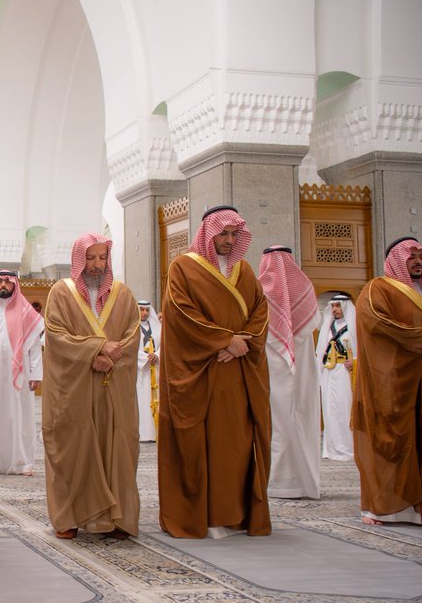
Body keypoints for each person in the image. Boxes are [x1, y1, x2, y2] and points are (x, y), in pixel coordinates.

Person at [157, 205, 272, 538]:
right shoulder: (183, 268)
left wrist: (243, 343)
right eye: (223, 233)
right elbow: (181, 314)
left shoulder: (245, 271)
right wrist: (224, 341)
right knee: (204, 444)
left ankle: (235, 515)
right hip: (203, 372)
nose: (229, 240)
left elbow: (261, 311)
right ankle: (204, 517)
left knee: (237, 445)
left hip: (238, 374)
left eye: (234, 234)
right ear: (208, 233)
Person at [354, 237, 422, 527]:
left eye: (421, 257)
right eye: (410, 256)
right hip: (398, 384)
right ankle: (388, 509)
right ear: (395, 260)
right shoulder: (378, 289)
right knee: (397, 443)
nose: (417, 262)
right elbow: (378, 324)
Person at [42, 234, 141, 539]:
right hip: (76, 389)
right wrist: (95, 350)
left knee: (118, 446)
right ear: (78, 259)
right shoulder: (61, 293)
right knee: (73, 447)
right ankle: (69, 518)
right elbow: (56, 334)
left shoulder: (123, 295)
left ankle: (117, 518)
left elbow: (132, 333)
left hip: (113, 386)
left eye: (102, 258)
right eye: (90, 258)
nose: (97, 265)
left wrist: (111, 357)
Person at [257, 246, 321, 500]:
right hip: (289, 368)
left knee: (281, 421)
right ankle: (298, 481)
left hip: (278, 367)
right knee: (293, 419)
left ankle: (280, 482)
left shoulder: (260, 290)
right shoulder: (305, 290)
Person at [0, 270, 43, 476]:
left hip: (19, 374)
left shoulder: (25, 311)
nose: (3, 285)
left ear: (15, 284)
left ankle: (21, 463)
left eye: (7, 281)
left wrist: (36, 374)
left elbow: (35, 347)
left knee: (18, 416)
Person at [316, 294, 357, 461]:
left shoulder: (353, 326)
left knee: (344, 409)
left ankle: (348, 448)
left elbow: (363, 351)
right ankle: (331, 449)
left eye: (338, 306)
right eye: (333, 306)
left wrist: (355, 361)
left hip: (346, 375)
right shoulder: (328, 327)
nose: (335, 309)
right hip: (329, 373)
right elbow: (320, 352)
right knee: (329, 410)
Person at [136, 301, 161, 442]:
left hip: (156, 369)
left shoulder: (157, 327)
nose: (144, 313)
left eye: (147, 310)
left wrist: (156, 355)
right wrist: (146, 357)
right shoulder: (131, 327)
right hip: (141, 371)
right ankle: (143, 434)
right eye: (141, 310)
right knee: (142, 400)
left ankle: (155, 433)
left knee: (157, 399)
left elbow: (164, 344)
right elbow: (129, 346)